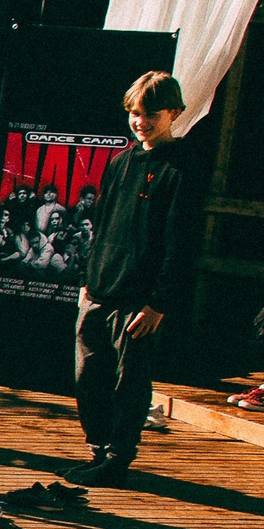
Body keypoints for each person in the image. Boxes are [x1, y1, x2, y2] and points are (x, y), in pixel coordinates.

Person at [68, 71, 199, 488]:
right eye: (135, 113)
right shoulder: (120, 162)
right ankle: (96, 449)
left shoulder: (180, 168)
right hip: (100, 290)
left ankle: (117, 457)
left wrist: (158, 303)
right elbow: (101, 224)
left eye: (151, 115)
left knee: (129, 383)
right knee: (89, 376)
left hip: (139, 300)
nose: (141, 122)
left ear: (174, 113)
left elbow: (181, 242)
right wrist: (88, 279)